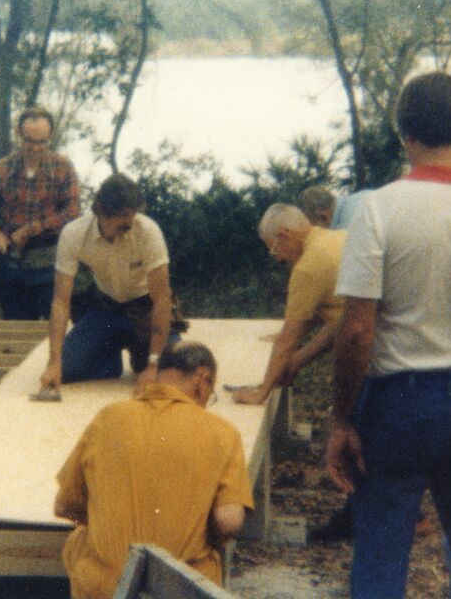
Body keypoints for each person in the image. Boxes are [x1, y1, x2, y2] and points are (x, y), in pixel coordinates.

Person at [325, 71, 451, 598]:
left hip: (399, 404)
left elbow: (355, 333)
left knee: (381, 555)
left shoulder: (380, 208)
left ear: (406, 134)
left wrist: (342, 418)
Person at [54, 341, 254, 599]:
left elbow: (64, 506)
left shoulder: (108, 418)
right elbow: (229, 522)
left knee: (80, 541)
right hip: (179, 589)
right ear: (202, 381)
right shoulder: (223, 433)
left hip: (108, 588)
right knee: (207, 560)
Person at [40, 173, 183, 393]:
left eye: (133, 214)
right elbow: (60, 301)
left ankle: (142, 355)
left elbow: (162, 299)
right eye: (123, 217)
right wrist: (53, 362)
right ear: (100, 211)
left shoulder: (148, 232)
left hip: (145, 309)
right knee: (68, 369)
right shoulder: (74, 234)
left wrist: (154, 364)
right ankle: (110, 358)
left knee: (175, 374)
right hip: (107, 309)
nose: (131, 221)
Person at [232, 203, 346, 405]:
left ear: (284, 234)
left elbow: (287, 342)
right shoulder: (335, 238)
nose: (279, 258)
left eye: (274, 249)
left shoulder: (308, 267)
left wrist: (261, 392)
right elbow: (336, 317)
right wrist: (296, 360)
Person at [0, 105, 79, 320]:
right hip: (12, 265)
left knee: (55, 330)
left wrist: (33, 228)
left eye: (41, 142)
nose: (34, 148)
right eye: (29, 141)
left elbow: (72, 210)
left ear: (50, 137)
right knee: (15, 332)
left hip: (50, 264)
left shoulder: (63, 167)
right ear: (19, 136)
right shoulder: (2, 169)